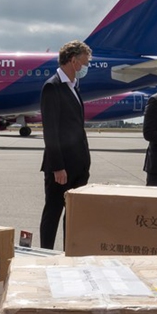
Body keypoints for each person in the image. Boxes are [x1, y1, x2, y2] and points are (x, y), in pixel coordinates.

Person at [39, 40, 92, 250]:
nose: (86, 67)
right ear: (73, 61)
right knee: (53, 212)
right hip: (61, 168)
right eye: (85, 62)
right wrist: (58, 166)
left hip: (79, 166)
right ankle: (45, 253)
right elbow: (50, 131)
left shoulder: (73, 87)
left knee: (73, 216)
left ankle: (68, 252)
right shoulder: (52, 87)